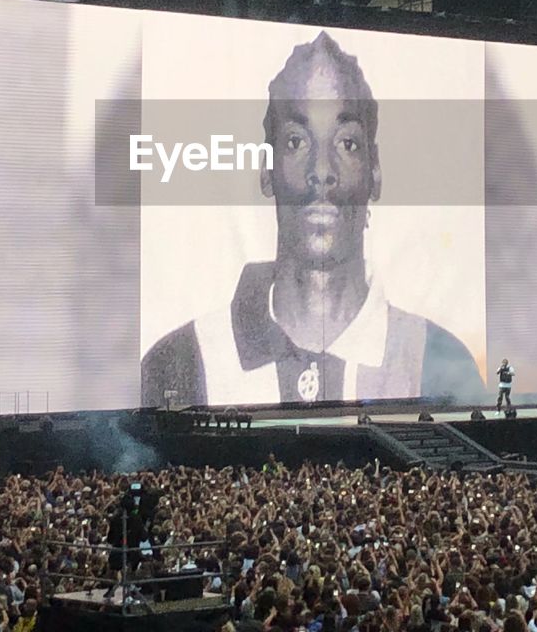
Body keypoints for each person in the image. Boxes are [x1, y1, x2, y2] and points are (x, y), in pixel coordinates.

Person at [141, 31, 486, 406]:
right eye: (296, 141)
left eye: (346, 143)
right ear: (266, 171)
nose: (321, 171)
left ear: (375, 172)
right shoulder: (181, 361)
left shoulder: (439, 363)